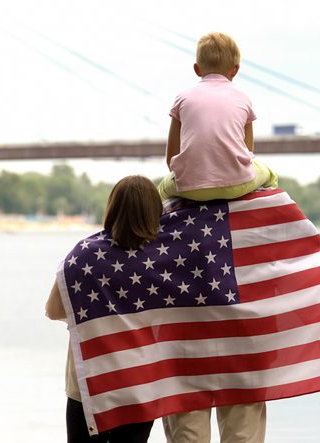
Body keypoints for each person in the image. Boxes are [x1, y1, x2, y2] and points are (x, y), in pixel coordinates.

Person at [45, 175, 161, 442]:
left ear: (112, 208)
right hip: (140, 385)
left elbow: (53, 310)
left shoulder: (83, 255)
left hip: (89, 383)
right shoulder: (163, 257)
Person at [157, 31, 278, 202]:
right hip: (237, 186)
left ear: (197, 69)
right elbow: (248, 153)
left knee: (161, 190)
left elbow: (171, 159)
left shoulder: (181, 98)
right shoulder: (243, 98)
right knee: (269, 174)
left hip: (189, 188)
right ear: (235, 70)